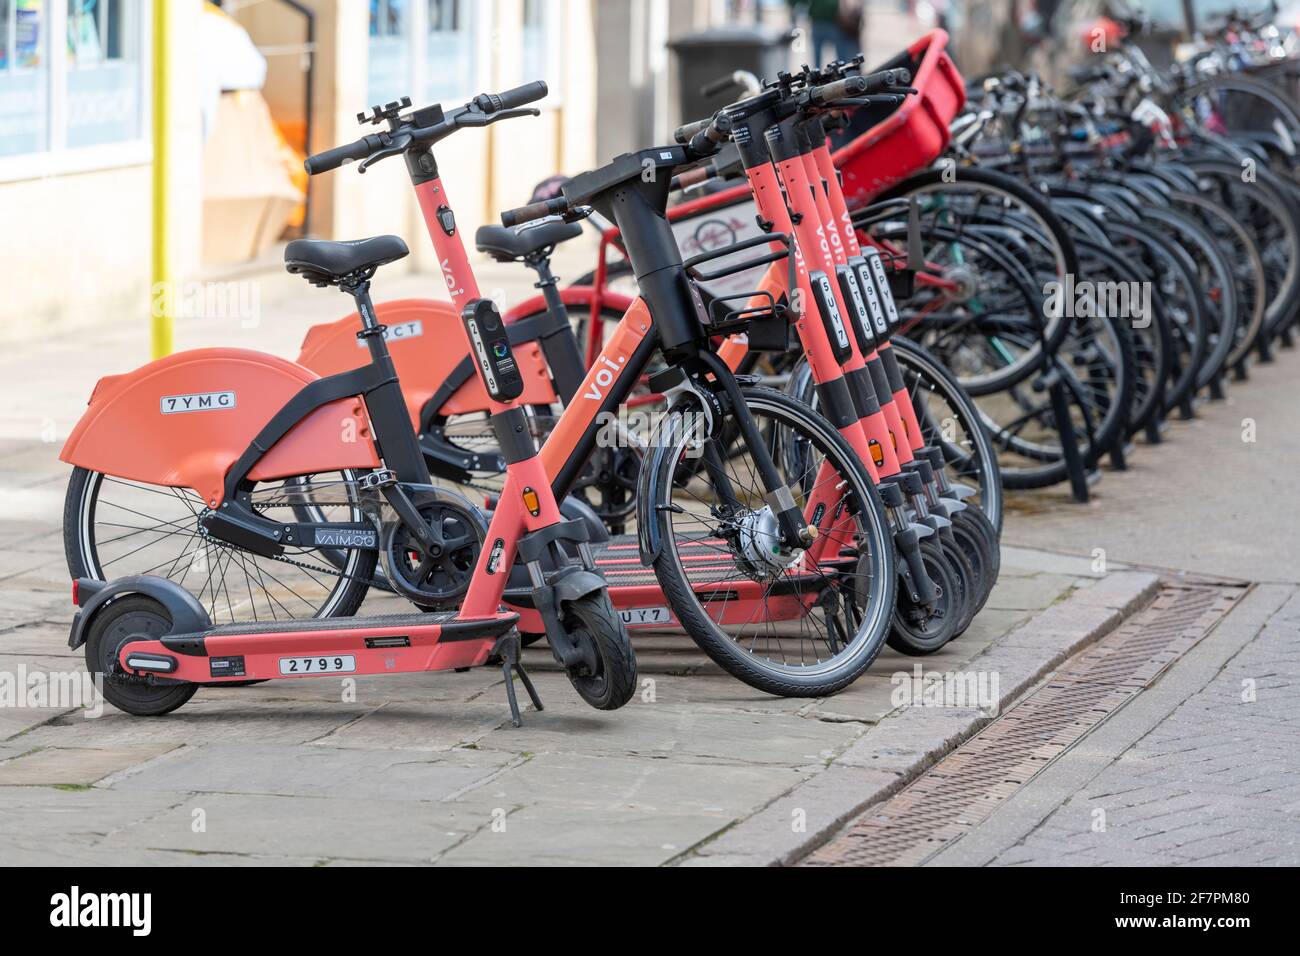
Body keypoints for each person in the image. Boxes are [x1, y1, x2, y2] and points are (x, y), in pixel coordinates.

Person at [789, 0, 864, 65]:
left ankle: (844, 75)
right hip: (818, 23)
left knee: (841, 55)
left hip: (834, 24)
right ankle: (817, 78)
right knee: (817, 57)